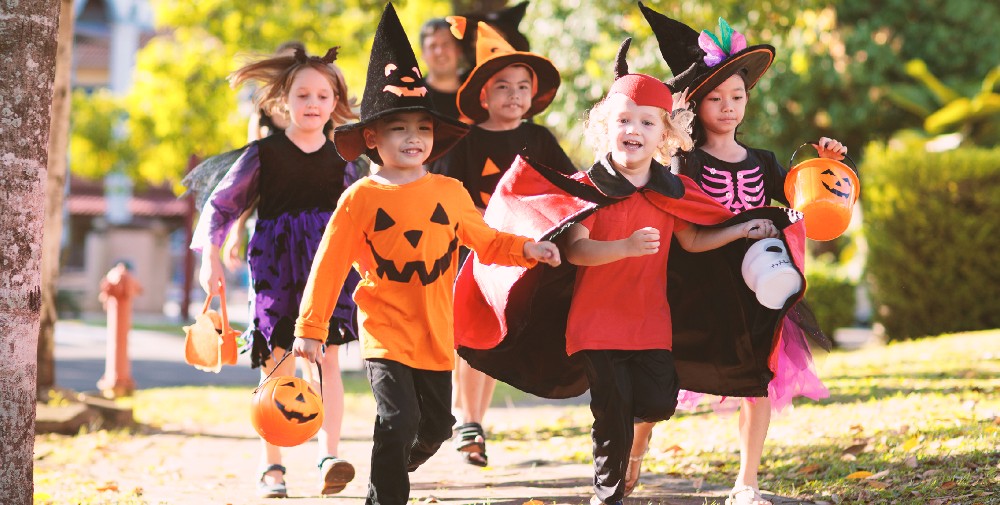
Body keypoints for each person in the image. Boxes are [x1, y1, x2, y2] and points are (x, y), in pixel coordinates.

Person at [290, 5, 561, 505]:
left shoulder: (450, 192)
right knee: (398, 420)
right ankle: (388, 493)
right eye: (399, 128)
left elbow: (487, 243)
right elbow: (327, 266)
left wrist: (527, 248)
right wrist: (310, 330)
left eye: (423, 128)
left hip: (437, 333)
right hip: (386, 334)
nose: (414, 137)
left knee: (434, 427)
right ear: (372, 138)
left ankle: (384, 474)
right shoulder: (362, 199)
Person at [625, 5, 847, 504]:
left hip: (755, 288)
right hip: (695, 287)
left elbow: (804, 206)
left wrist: (824, 164)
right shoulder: (684, 161)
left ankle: (746, 482)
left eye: (738, 95)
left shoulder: (765, 161)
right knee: (660, 380)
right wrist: (738, 228)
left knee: (757, 380)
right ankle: (631, 458)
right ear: (695, 104)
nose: (729, 106)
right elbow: (682, 229)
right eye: (716, 97)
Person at [562, 44, 781, 505]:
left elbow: (695, 240)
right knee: (612, 411)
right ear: (605, 128)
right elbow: (577, 250)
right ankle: (608, 494)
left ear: (663, 135)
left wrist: (741, 228)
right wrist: (623, 247)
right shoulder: (588, 188)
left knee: (660, 401)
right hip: (597, 323)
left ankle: (627, 458)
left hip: (650, 324)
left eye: (646, 122)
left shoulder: (671, 190)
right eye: (623, 120)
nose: (633, 130)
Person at [190, 46, 359, 498]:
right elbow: (222, 206)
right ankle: (273, 468)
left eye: (324, 96)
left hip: (328, 267)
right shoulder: (263, 154)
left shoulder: (346, 159)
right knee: (277, 362)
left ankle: (329, 454)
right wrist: (209, 258)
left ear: (335, 102)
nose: (313, 103)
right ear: (284, 99)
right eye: (303, 94)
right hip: (273, 266)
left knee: (327, 361)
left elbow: (365, 216)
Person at [432, 17, 576, 467]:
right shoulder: (467, 141)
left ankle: (471, 419)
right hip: (475, 252)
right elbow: (450, 197)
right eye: (503, 87)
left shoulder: (539, 139)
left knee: (494, 336)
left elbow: (566, 188)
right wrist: (487, 223)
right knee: (473, 332)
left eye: (522, 87)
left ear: (533, 96)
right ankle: (466, 419)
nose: (513, 95)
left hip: (522, 254)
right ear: (483, 96)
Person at [419, 18, 465, 120]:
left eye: (446, 44)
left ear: (458, 50)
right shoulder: (413, 97)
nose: (440, 51)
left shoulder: (477, 94)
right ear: (423, 54)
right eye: (432, 46)